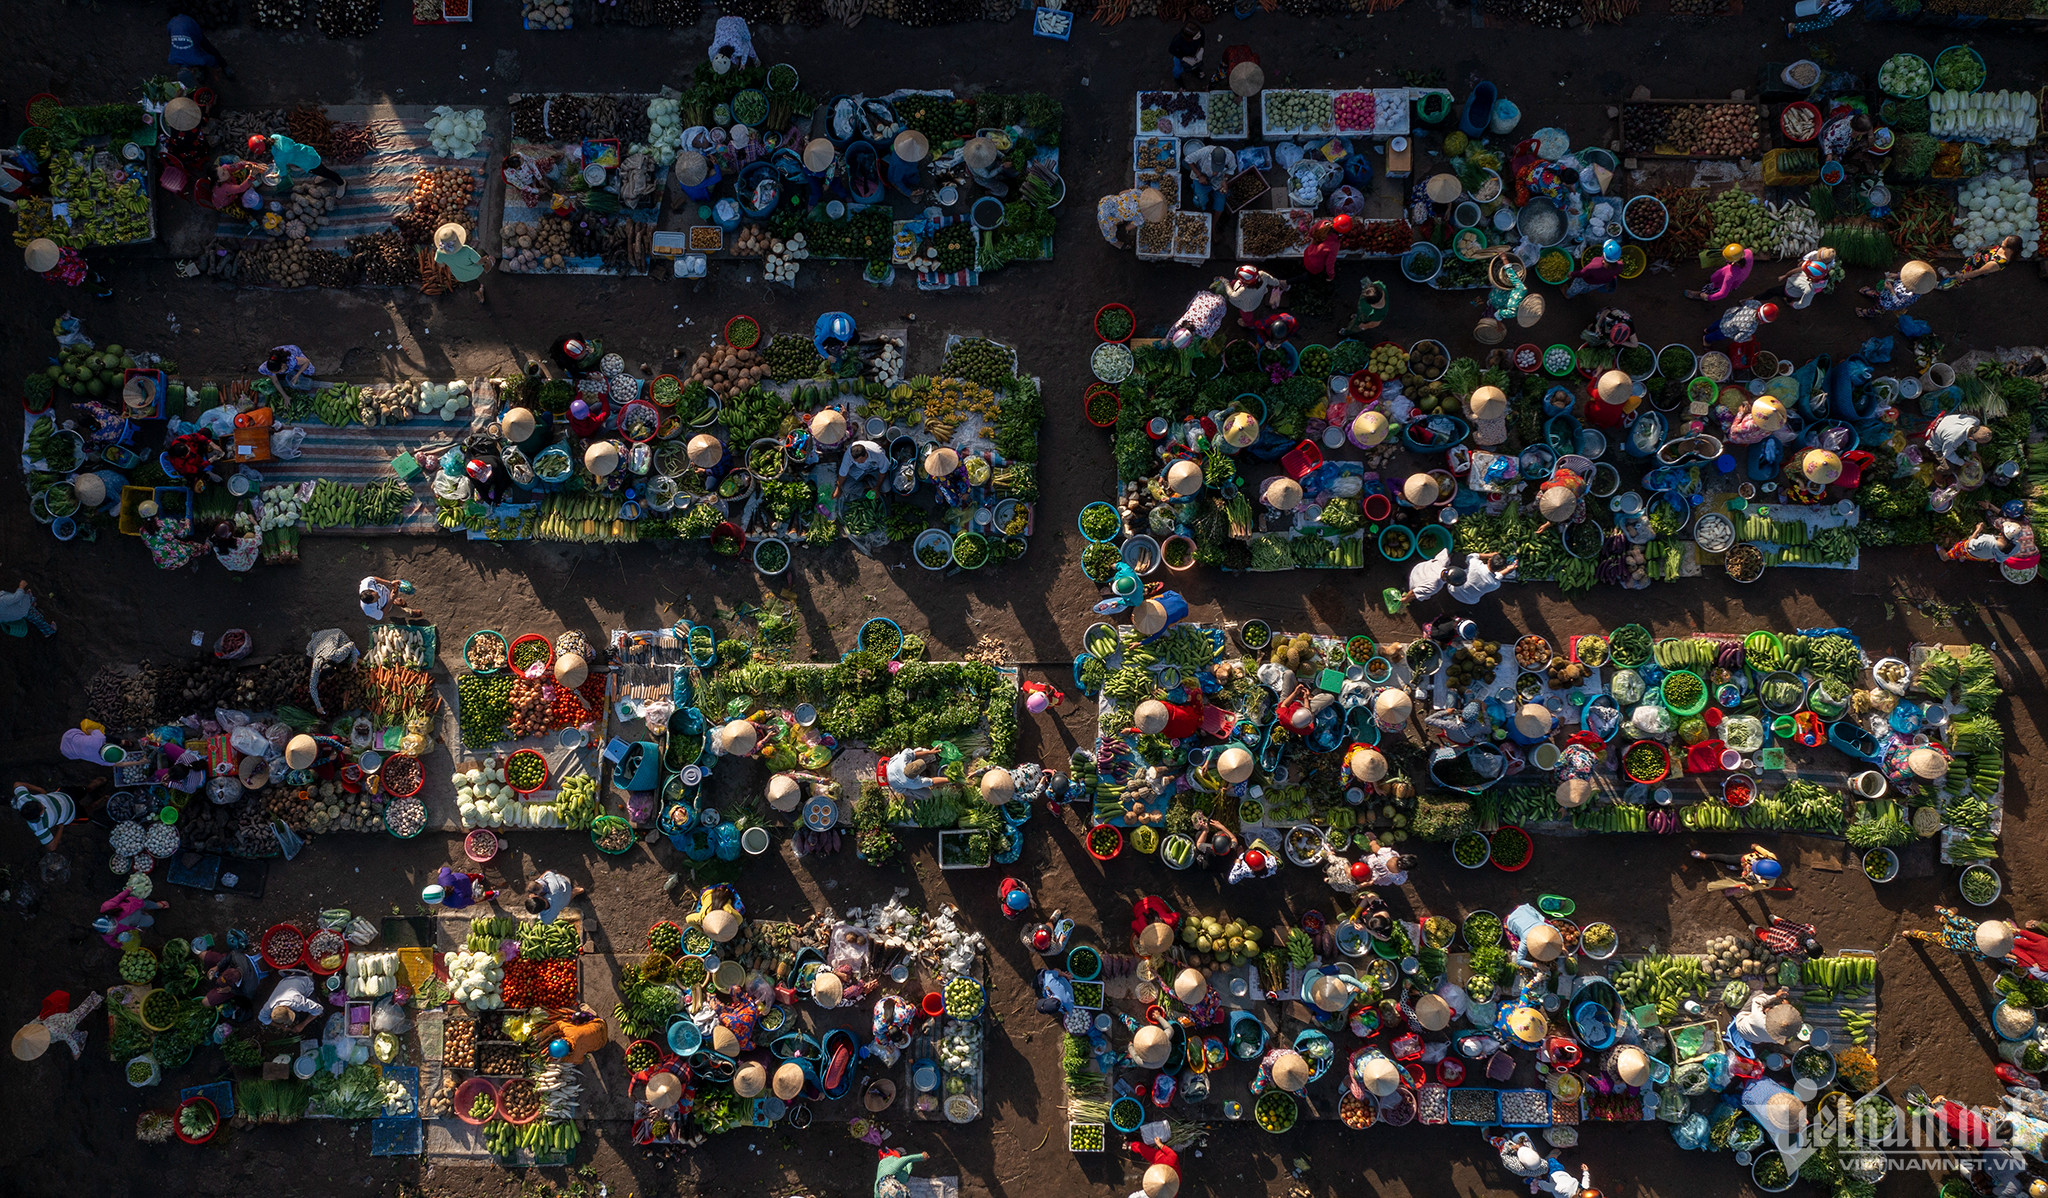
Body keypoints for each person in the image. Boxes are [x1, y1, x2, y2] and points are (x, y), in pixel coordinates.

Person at [13, 990, 104, 1061]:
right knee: (73, 1028)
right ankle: (81, 1036)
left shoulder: (54, 1030)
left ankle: (94, 998)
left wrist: (76, 1052)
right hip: (56, 1022)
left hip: (67, 1022)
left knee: (80, 1012)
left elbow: (67, 1037)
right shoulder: (31, 1027)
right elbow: (35, 1020)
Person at [249, 134, 345, 192]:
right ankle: (323, 175)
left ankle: (341, 182)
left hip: (309, 163)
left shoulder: (280, 159)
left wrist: (275, 175)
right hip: (308, 152)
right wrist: (279, 160)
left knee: (324, 171)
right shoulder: (275, 136)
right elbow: (284, 151)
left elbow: (283, 173)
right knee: (321, 169)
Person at [1856, 260, 1938, 320]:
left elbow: (1898, 303)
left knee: (1880, 306)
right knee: (1881, 294)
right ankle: (1873, 294)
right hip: (1888, 291)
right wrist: (1897, 275)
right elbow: (1905, 275)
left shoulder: (1910, 295)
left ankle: (1866, 313)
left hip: (1890, 301)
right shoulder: (1919, 286)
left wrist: (1891, 290)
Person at [432, 224, 490, 304]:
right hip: (474, 271)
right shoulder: (466, 250)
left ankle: (480, 297)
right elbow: (478, 261)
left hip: (460, 276)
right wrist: (486, 259)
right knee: (482, 252)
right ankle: (481, 295)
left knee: (472, 285)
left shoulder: (440, 253)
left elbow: (441, 265)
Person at [1765, 246, 1837, 310]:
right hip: (1795, 290)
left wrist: (1794, 305)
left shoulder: (1809, 289)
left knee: (1776, 292)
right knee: (1790, 295)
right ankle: (1788, 300)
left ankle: (1788, 301)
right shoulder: (1819, 281)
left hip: (1790, 290)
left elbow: (1804, 303)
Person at [95, 888, 170, 948]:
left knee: (146, 903)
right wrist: (120, 945)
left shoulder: (106, 907)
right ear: (105, 933)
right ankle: (144, 913)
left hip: (135, 905)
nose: (116, 927)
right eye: (112, 930)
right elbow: (111, 942)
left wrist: (128, 890)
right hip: (136, 921)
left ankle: (156, 905)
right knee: (150, 921)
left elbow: (118, 897)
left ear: (109, 916)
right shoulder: (106, 936)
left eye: (114, 923)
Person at [167, 14, 233, 81]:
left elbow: (212, 60)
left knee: (209, 48)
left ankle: (224, 65)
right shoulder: (171, 59)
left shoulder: (199, 59)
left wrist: (216, 69)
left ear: (192, 71)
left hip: (190, 25)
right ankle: (201, 70)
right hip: (173, 24)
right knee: (195, 53)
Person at [1941, 236, 2024, 289]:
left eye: (2004, 243)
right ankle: (1949, 278)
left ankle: (1944, 284)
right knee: (1959, 271)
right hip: (1974, 262)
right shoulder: (2004, 249)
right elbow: (1994, 248)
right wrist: (1984, 248)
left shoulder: (1997, 263)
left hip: (1972, 270)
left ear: (2009, 249)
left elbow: (1979, 271)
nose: (2002, 242)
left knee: (1956, 279)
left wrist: (1963, 276)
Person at [1690, 843, 1783, 888]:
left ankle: (1738, 868)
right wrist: (1756, 847)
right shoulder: (1771, 858)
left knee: (1740, 874)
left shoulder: (1766, 883)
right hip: (1746, 859)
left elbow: (1753, 888)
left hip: (1747, 873)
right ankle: (1705, 856)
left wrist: (1746, 887)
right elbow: (1764, 851)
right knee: (1727, 859)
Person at [11, 783, 77, 847]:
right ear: (40, 815)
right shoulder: (39, 828)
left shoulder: (24, 798)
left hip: (62, 795)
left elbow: (17, 784)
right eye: (43, 808)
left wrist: (39, 789)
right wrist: (61, 828)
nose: (44, 805)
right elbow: (52, 847)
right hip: (73, 813)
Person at [1685, 243, 1753, 302]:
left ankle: (1700, 295)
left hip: (1719, 283)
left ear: (1733, 262)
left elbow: (1723, 293)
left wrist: (1708, 297)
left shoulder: (1730, 275)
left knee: (1712, 288)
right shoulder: (1748, 253)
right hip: (1738, 280)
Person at [258, 973, 324, 1032]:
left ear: (286, 1007)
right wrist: (280, 1027)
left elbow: (319, 1009)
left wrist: (303, 1024)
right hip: (286, 981)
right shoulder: (269, 1006)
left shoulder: (297, 1002)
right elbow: (262, 1018)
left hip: (305, 981)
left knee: (317, 1010)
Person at [1926, 410, 1994, 467]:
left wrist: (1973, 451)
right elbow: (1947, 454)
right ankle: (1934, 468)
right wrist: (1963, 463)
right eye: (1976, 441)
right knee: (1948, 468)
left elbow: (1973, 435)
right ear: (1970, 438)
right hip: (1934, 439)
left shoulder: (1975, 421)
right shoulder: (1954, 440)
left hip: (1943, 421)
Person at [1186, 143, 1234, 216]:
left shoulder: (1230, 155)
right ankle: (1201, 203)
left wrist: (1224, 180)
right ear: (1211, 156)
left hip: (1218, 179)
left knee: (1220, 203)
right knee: (1200, 201)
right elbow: (1188, 159)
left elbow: (1231, 169)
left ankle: (1214, 224)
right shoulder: (1204, 152)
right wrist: (1199, 175)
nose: (1216, 171)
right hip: (1202, 177)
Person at [1704, 298, 1777, 346]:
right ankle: (1706, 339)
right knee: (1717, 335)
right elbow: (1737, 338)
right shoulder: (1751, 328)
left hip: (1729, 317)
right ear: (1762, 322)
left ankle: (1707, 330)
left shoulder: (1756, 304)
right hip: (1727, 330)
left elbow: (1744, 302)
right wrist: (1748, 338)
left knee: (1718, 323)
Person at [1449, 551, 1514, 604]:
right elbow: (1498, 576)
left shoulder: (1475, 564)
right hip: (1469, 601)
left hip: (1453, 590)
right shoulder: (1495, 584)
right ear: (1500, 569)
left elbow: (1471, 556)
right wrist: (1508, 569)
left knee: (1457, 571)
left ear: (1489, 560)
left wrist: (1490, 555)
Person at [425, 866, 496, 911]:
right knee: (473, 877)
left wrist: (474, 901)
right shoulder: (442, 878)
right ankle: (481, 877)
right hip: (464, 879)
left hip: (470, 892)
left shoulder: (451, 902)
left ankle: (493, 894)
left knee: (482, 895)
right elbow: (446, 869)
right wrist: (440, 870)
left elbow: (467, 902)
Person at [357, 574, 421, 622]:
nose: (379, 596)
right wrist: (391, 599)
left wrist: (389, 583)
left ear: (371, 590)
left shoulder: (366, 583)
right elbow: (383, 614)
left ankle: (396, 601)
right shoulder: (370, 610)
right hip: (386, 608)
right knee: (400, 612)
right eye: (377, 599)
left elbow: (374, 579)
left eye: (377, 594)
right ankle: (411, 613)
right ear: (370, 603)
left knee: (398, 601)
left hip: (388, 595)